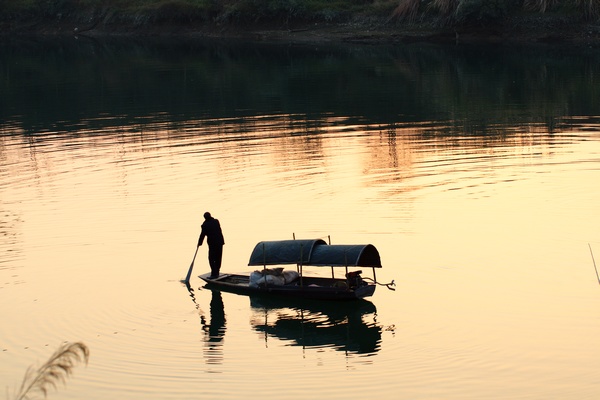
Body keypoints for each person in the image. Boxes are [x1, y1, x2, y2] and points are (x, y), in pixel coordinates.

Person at [198, 212, 225, 279]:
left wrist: (199, 243)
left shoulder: (205, 225)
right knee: (218, 257)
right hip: (220, 242)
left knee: (211, 258)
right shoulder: (216, 221)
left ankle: (214, 273)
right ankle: (217, 271)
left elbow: (202, 235)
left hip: (213, 244)